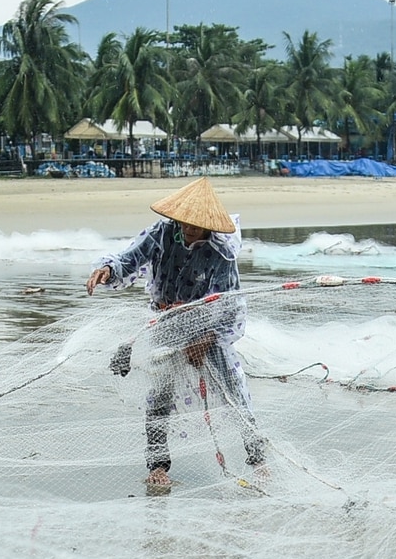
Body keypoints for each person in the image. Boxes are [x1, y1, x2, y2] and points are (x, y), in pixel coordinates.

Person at [86, 177, 263, 492]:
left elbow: (229, 307)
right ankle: (157, 466)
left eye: (196, 226)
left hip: (207, 330)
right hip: (166, 324)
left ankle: (257, 457)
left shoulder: (221, 254)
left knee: (233, 391)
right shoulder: (163, 232)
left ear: (210, 226)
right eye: (184, 223)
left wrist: (205, 339)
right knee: (159, 397)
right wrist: (108, 270)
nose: (189, 230)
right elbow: (130, 259)